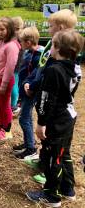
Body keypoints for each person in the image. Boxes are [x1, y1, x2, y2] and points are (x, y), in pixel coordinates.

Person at [26, 29, 84, 207]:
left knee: (53, 156)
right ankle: (68, 189)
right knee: (63, 153)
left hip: (56, 120)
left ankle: (52, 196)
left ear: (57, 48)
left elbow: (47, 100)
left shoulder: (53, 70)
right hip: (68, 116)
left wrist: (41, 123)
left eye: (52, 44)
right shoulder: (74, 66)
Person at [23, 9, 78, 185]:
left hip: (56, 113)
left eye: (50, 26)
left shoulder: (58, 60)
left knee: (54, 148)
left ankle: (51, 184)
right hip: (63, 111)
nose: (48, 29)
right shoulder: (67, 57)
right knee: (61, 150)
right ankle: (67, 187)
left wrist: (41, 120)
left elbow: (50, 84)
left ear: (60, 27)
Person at [12, 27, 43, 160]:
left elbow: (37, 75)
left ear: (29, 42)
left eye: (22, 42)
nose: (21, 44)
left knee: (24, 119)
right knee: (27, 118)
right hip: (24, 92)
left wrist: (29, 87)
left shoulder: (37, 56)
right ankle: (28, 142)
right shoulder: (29, 52)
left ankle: (31, 148)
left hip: (30, 93)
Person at [11, 16, 24, 116]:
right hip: (18, 64)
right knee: (15, 83)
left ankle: (14, 106)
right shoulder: (21, 36)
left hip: (15, 64)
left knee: (13, 85)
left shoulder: (17, 38)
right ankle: (14, 104)